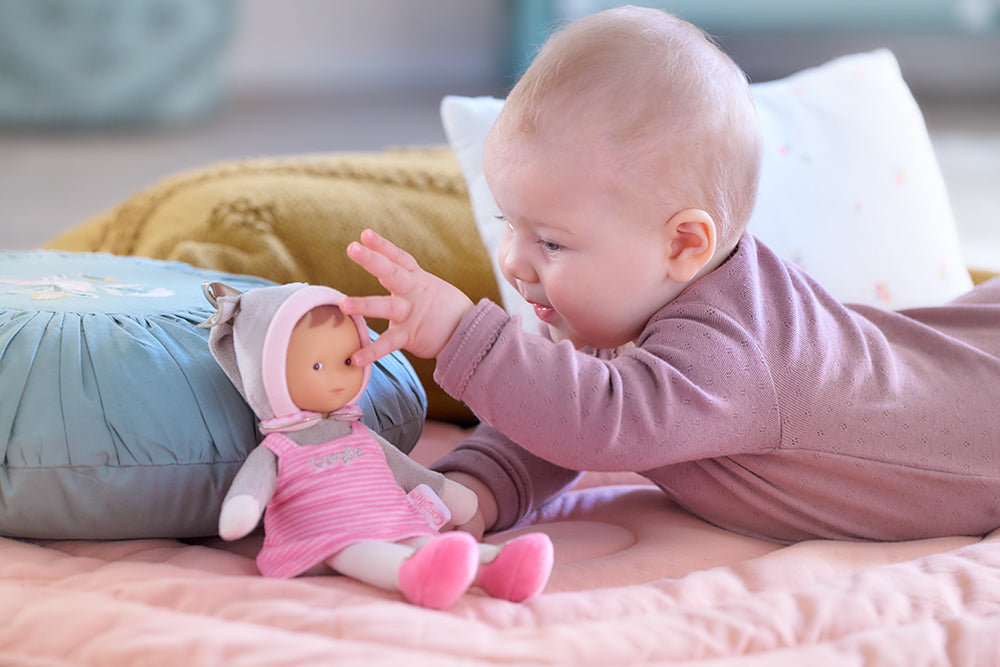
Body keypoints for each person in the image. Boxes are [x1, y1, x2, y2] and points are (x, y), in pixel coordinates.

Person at [340, 6, 1000, 544]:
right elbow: (553, 412)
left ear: (683, 243)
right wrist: (474, 488)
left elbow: (598, 419)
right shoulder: (637, 304)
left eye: (551, 242)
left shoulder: (728, 352)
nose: (513, 261)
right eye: (507, 224)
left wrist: (461, 333)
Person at [200, 281, 553, 608]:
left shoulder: (359, 433)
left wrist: (448, 493)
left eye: (347, 361)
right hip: (323, 534)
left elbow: (406, 471)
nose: (337, 377)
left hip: (389, 518)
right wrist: (242, 509)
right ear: (268, 372)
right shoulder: (279, 449)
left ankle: (493, 565)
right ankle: (409, 573)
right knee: (358, 549)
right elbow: (251, 489)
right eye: (318, 365)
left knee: (422, 540)